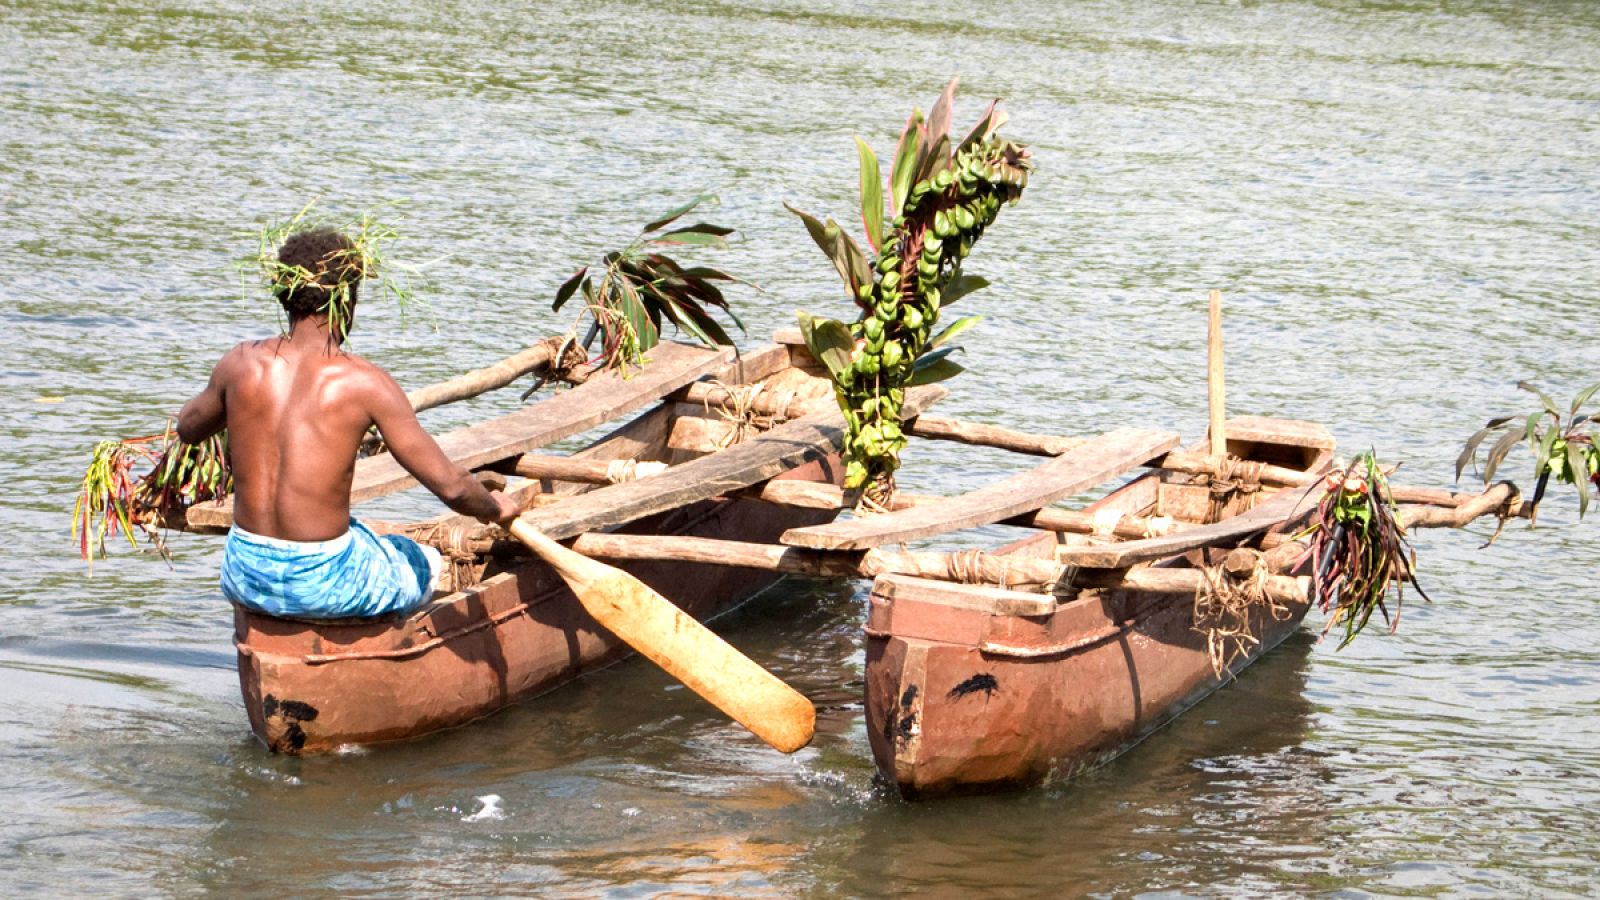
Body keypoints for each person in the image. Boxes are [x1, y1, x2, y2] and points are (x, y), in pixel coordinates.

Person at [176, 228, 520, 619]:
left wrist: (228, 398)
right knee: (423, 561)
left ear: (284, 296)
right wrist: (495, 509)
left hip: (244, 570)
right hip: (321, 581)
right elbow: (454, 488)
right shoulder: (365, 383)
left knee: (364, 537)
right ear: (347, 301)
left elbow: (188, 429)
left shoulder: (240, 362)